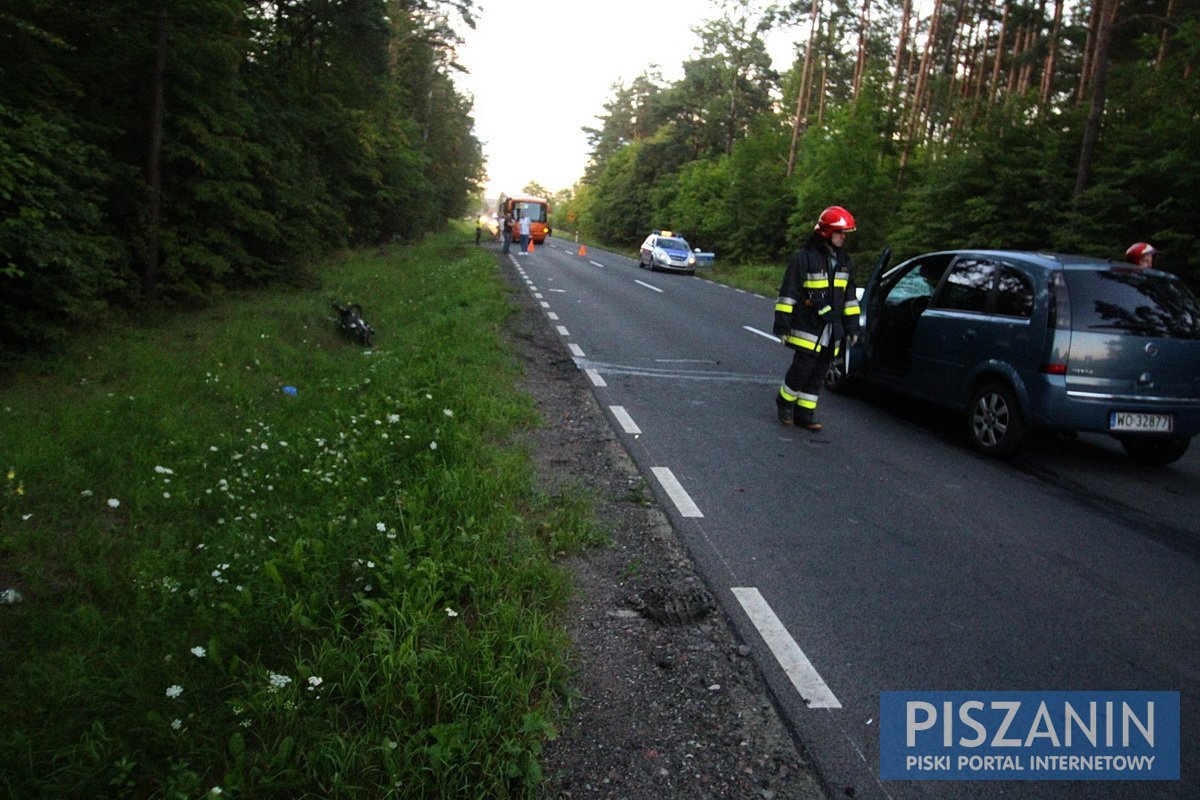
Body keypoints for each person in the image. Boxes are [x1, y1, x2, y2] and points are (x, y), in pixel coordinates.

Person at [772, 205, 862, 431]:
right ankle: (784, 403)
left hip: (832, 330)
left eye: (844, 234)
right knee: (802, 369)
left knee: (818, 374)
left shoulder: (845, 263)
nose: (843, 237)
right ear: (826, 232)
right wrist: (782, 326)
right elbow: (788, 294)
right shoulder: (803, 259)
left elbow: (850, 300)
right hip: (807, 326)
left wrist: (853, 328)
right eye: (840, 233)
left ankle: (805, 413)